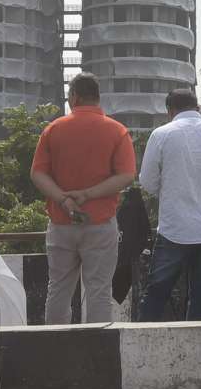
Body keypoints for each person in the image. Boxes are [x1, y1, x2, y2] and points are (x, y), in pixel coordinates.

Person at [31, 73, 136, 324]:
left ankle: (56, 347)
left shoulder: (53, 129)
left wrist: (64, 200)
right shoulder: (117, 131)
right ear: (98, 98)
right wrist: (88, 194)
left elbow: (37, 173)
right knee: (99, 291)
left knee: (58, 289)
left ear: (74, 96)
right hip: (100, 224)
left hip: (61, 223)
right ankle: (97, 351)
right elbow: (126, 175)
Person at [138, 89, 201, 321]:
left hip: (175, 228)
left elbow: (147, 180)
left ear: (170, 111)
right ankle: (198, 345)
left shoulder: (162, 134)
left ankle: (145, 345)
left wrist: (169, 193)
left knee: (157, 292)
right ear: (197, 107)